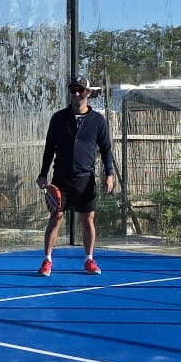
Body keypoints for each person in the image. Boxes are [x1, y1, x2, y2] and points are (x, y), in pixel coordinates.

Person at [37, 76, 117, 276]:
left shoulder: (98, 120)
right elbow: (49, 148)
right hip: (61, 178)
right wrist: (43, 174)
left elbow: (106, 149)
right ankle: (47, 260)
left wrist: (109, 174)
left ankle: (89, 260)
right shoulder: (59, 118)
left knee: (88, 220)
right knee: (56, 217)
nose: (76, 94)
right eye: (73, 90)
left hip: (85, 179)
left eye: (80, 90)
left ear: (88, 93)